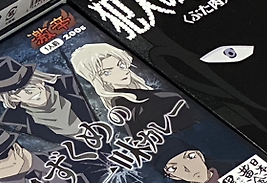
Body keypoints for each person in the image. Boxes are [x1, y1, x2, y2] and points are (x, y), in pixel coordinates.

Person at [69, 43, 199, 133]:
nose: (122, 72)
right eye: (107, 72)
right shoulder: (125, 104)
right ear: (98, 79)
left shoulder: (136, 95)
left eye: (121, 65)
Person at [0, 56, 95, 143]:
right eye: (17, 90)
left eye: (29, 82)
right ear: (12, 97)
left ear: (39, 79)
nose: (29, 91)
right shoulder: (16, 126)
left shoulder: (75, 84)